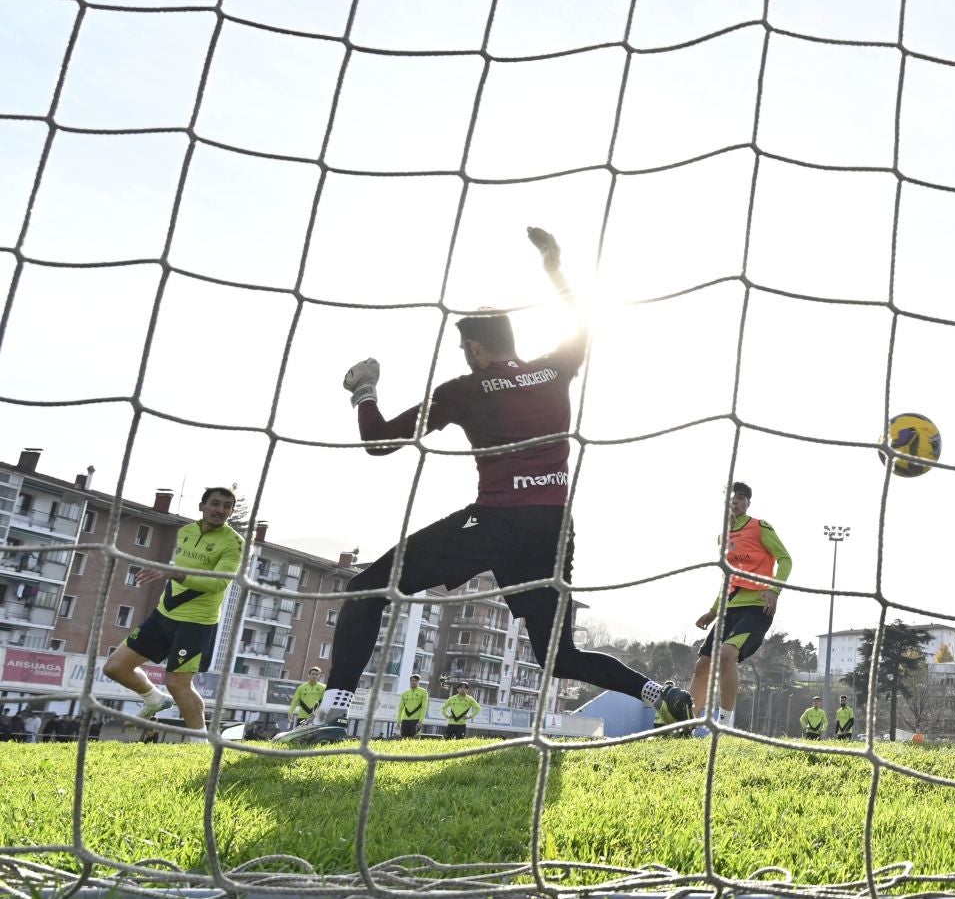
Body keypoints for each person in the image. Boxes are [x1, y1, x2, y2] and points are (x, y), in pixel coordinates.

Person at [275, 227, 692, 744]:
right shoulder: (554, 370)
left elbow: (380, 443)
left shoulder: (464, 390)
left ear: (475, 348)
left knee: (366, 590)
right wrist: (554, 268)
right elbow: (586, 318)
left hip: (495, 521)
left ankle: (331, 717)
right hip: (553, 528)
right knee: (558, 655)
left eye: (464, 347)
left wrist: (364, 392)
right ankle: (661, 695)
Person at [103, 486, 244, 735]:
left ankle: (200, 743)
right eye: (215, 503)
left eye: (226, 506)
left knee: (178, 684)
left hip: (196, 623)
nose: (220, 510)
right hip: (163, 614)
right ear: (202, 506)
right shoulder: (186, 531)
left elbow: (218, 583)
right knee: (115, 667)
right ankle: (154, 698)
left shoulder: (234, 542)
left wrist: (172, 573)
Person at [691, 482, 793, 732]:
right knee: (703, 664)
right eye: (730, 499)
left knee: (727, 655)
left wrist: (773, 590)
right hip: (731, 607)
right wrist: (714, 610)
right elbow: (727, 578)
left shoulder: (759, 527)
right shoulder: (722, 538)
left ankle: (723, 723)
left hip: (757, 606)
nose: (734, 503)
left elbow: (785, 560)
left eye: (739, 499)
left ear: (747, 502)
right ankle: (686, 721)